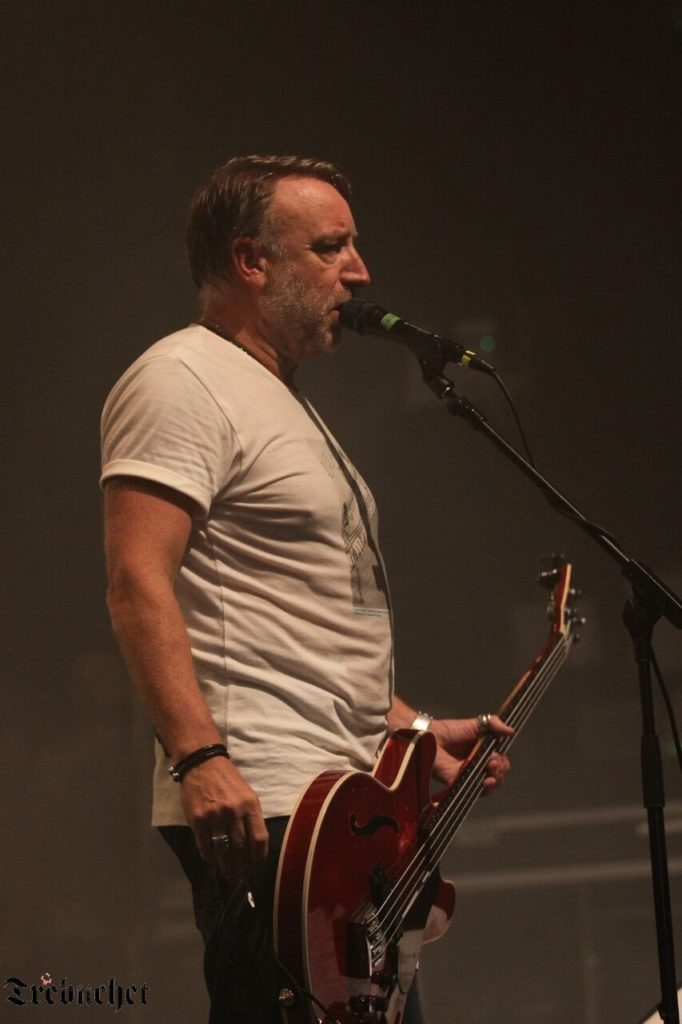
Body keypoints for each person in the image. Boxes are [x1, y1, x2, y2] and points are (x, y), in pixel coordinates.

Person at [101, 154, 512, 1024]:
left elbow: (297, 627)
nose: (358, 271)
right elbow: (137, 581)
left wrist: (413, 731)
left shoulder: (282, 400)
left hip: (343, 803)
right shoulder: (181, 379)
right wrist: (201, 759)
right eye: (330, 247)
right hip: (267, 798)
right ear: (251, 261)